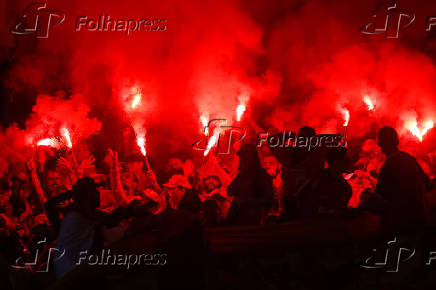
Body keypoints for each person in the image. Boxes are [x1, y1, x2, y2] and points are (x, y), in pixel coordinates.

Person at [363, 126, 430, 235]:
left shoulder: (389, 166)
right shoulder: (410, 160)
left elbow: (379, 199)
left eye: (380, 142)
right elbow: (427, 184)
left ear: (381, 145)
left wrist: (361, 207)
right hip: (420, 222)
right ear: (397, 141)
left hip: (400, 227)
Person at [297, 147, 352, 218]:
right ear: (335, 161)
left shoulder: (346, 187)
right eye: (345, 158)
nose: (349, 161)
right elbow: (302, 202)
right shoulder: (317, 180)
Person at [227, 143, 273, 225]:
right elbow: (230, 191)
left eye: (247, 156)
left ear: (253, 157)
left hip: (252, 218)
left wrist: (247, 202)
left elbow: (268, 199)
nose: (244, 159)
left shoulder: (261, 175)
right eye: (242, 156)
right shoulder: (241, 175)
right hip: (237, 216)